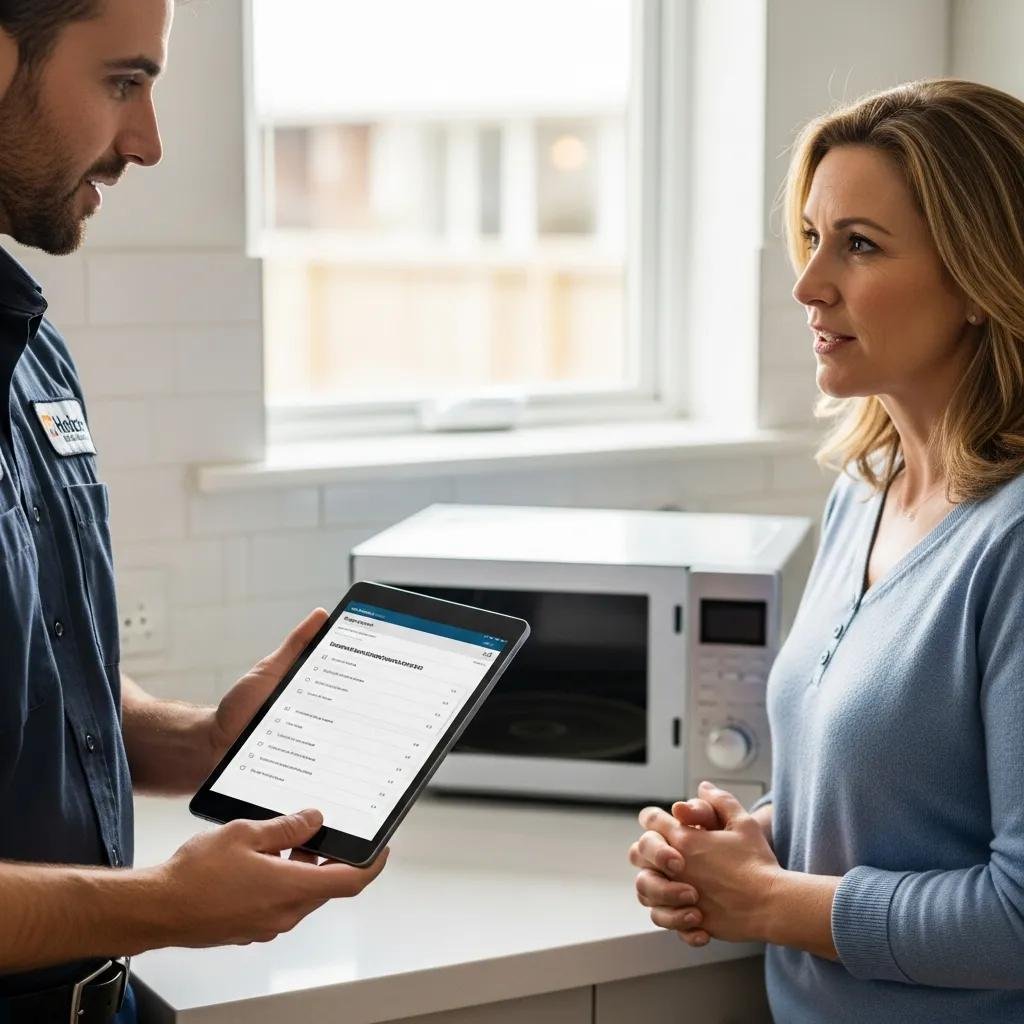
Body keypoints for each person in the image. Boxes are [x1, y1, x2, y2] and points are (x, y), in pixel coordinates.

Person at [0, 2, 387, 1020]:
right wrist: (166, 904)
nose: (148, 142)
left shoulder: (29, 349)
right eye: (122, 82)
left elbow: (37, 678)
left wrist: (207, 741)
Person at [629, 77, 1024, 1021]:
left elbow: (1017, 915)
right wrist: (742, 848)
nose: (809, 285)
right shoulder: (868, 485)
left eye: (859, 246)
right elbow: (900, 810)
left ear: (982, 274)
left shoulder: (1011, 547)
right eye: (813, 238)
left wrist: (768, 900)